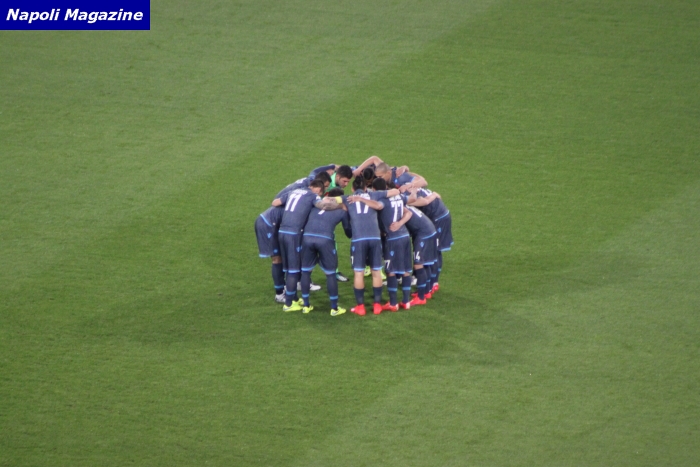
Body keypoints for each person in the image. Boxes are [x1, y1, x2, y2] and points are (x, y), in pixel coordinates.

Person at [271, 180, 343, 312]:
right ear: (318, 190)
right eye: (320, 193)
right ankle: (289, 304)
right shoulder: (313, 195)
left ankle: (293, 299)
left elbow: (275, 202)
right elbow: (323, 206)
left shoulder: (293, 191)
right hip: (294, 234)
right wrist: (340, 205)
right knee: (294, 270)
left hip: (282, 232)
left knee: (288, 268)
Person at [299, 188, 352, 316]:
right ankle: (334, 308)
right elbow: (348, 231)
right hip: (325, 240)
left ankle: (306, 305)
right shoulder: (341, 210)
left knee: (306, 272)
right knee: (330, 274)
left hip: (307, 238)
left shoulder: (314, 207)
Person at [344, 175, 386, 316]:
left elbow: (331, 202)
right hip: (375, 238)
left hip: (359, 239)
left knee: (359, 273)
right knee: (376, 271)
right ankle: (377, 305)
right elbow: (391, 194)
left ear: (352, 188)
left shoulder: (347, 199)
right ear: (365, 188)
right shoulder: (374, 196)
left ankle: (360, 307)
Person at [372, 178, 414, 312]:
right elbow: (409, 212)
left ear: (374, 189)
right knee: (406, 270)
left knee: (391, 271)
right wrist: (400, 223)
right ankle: (406, 301)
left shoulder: (382, 200)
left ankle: (393, 303)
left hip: (393, 238)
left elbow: (377, 208)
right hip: (405, 236)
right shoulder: (399, 197)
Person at [406, 187, 452, 294]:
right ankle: (429, 283)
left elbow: (425, 201)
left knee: (435, 251)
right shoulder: (411, 187)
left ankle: (433, 283)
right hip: (435, 218)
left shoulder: (409, 198)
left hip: (438, 219)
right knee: (431, 252)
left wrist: (433, 195)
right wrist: (434, 195)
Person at [402, 202, 438, 306]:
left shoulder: (399, 207)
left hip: (424, 234)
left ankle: (421, 297)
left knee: (418, 264)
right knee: (425, 263)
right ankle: (426, 292)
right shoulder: (404, 204)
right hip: (429, 230)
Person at [254, 205, 286, 303]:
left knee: (285, 256)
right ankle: (279, 294)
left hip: (276, 223)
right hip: (268, 224)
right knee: (277, 259)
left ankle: (290, 284)